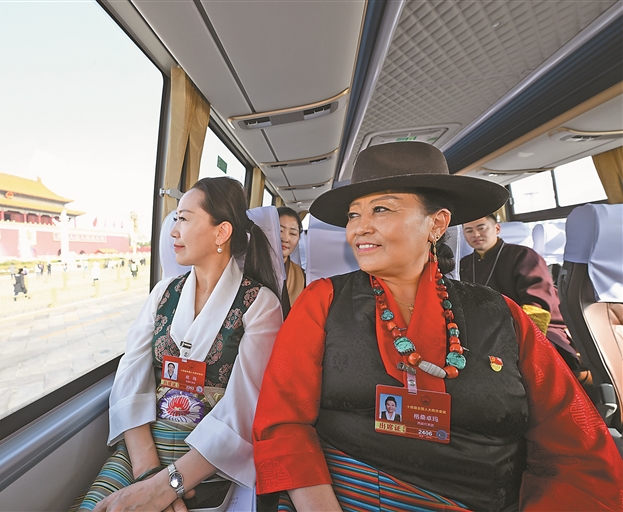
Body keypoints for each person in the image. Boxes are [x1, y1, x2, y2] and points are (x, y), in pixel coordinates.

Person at [252, 142, 622, 511]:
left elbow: (576, 448)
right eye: (353, 215)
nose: (359, 228)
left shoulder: (502, 314)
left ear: (437, 223)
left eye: (380, 209)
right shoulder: (323, 300)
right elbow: (281, 421)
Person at [75, 177, 283, 512]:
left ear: (221, 232)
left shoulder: (260, 304)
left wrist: (167, 486)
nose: (173, 231)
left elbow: (243, 409)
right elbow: (130, 378)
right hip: (142, 452)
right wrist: (148, 474)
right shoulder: (163, 293)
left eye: (184, 219)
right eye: (175, 219)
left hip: (208, 462)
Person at [460, 214, 579, 370]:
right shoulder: (465, 264)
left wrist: (513, 337)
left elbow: (537, 306)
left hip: (530, 328)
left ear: (497, 228)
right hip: (486, 332)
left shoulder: (523, 255)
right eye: (469, 231)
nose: (475, 234)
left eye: (481, 228)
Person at [277, 207, 305, 318]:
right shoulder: (249, 268)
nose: (285, 238)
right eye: (280, 230)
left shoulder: (302, 277)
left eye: (293, 233)